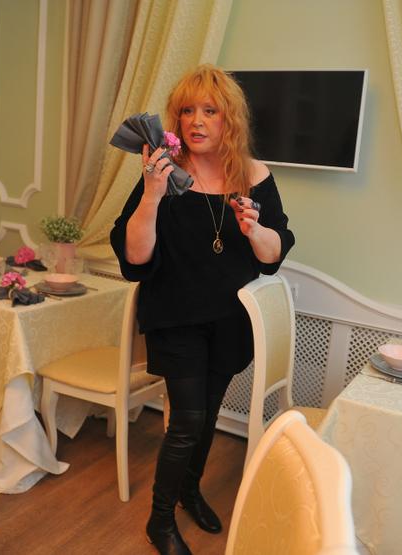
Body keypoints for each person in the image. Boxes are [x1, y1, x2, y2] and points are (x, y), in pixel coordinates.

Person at [110, 64, 295, 555]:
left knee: (208, 414)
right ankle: (160, 520)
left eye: (209, 111)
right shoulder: (164, 173)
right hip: (175, 317)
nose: (196, 121)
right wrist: (151, 195)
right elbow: (135, 257)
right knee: (188, 420)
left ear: (228, 118)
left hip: (229, 321)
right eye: (187, 111)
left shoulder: (253, 175)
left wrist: (254, 229)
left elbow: (274, 253)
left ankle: (189, 492)